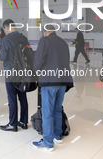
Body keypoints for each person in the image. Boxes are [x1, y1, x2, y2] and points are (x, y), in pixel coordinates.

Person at [32, 24, 73, 152]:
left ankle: (48, 142)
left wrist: (35, 72)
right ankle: (57, 135)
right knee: (57, 109)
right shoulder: (63, 42)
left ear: (45, 32)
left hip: (49, 81)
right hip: (63, 81)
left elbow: (39, 60)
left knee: (47, 112)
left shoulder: (44, 40)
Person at [0, 19, 29, 132]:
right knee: (22, 96)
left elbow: (3, 57)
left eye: (5, 29)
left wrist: (1, 58)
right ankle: (24, 122)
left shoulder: (7, 39)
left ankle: (12, 124)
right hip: (23, 72)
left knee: (12, 98)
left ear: (7, 27)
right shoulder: (23, 38)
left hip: (11, 72)